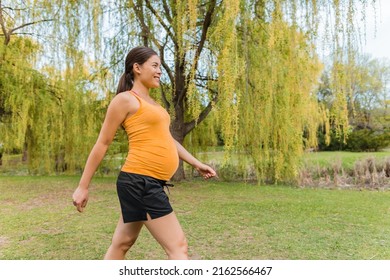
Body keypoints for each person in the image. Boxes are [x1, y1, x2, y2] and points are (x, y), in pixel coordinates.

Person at [72, 46, 217, 260]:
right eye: (155, 65)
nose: (160, 71)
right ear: (137, 67)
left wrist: (196, 163)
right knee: (178, 247)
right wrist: (83, 187)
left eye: (160, 66)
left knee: (121, 244)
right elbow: (102, 143)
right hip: (140, 182)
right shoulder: (125, 100)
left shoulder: (155, 105)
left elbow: (167, 140)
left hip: (147, 182)